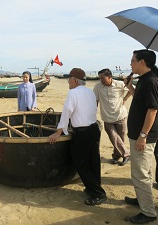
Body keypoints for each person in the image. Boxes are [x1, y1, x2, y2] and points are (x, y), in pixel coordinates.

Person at [48, 68, 107, 206]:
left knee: (81, 163)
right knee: (94, 161)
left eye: (69, 79)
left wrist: (58, 132)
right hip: (93, 129)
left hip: (83, 133)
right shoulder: (90, 92)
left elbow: (66, 113)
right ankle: (94, 187)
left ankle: (98, 194)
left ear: (75, 80)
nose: (68, 81)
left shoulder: (73, 93)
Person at [124, 50, 158, 224]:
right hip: (138, 134)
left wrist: (143, 135)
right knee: (142, 170)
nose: (130, 64)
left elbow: (152, 110)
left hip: (143, 136)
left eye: (133, 60)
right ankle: (141, 199)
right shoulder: (143, 81)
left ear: (142, 62)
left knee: (140, 174)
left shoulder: (151, 82)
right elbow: (140, 101)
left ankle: (148, 212)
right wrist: (130, 87)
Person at [93, 68, 130, 166]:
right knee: (114, 137)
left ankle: (116, 156)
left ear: (110, 77)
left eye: (102, 78)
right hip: (107, 118)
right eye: (99, 78)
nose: (100, 80)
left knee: (120, 139)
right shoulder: (98, 87)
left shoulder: (120, 84)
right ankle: (126, 155)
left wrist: (125, 99)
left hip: (121, 116)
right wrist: (93, 114)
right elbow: (95, 101)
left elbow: (131, 89)